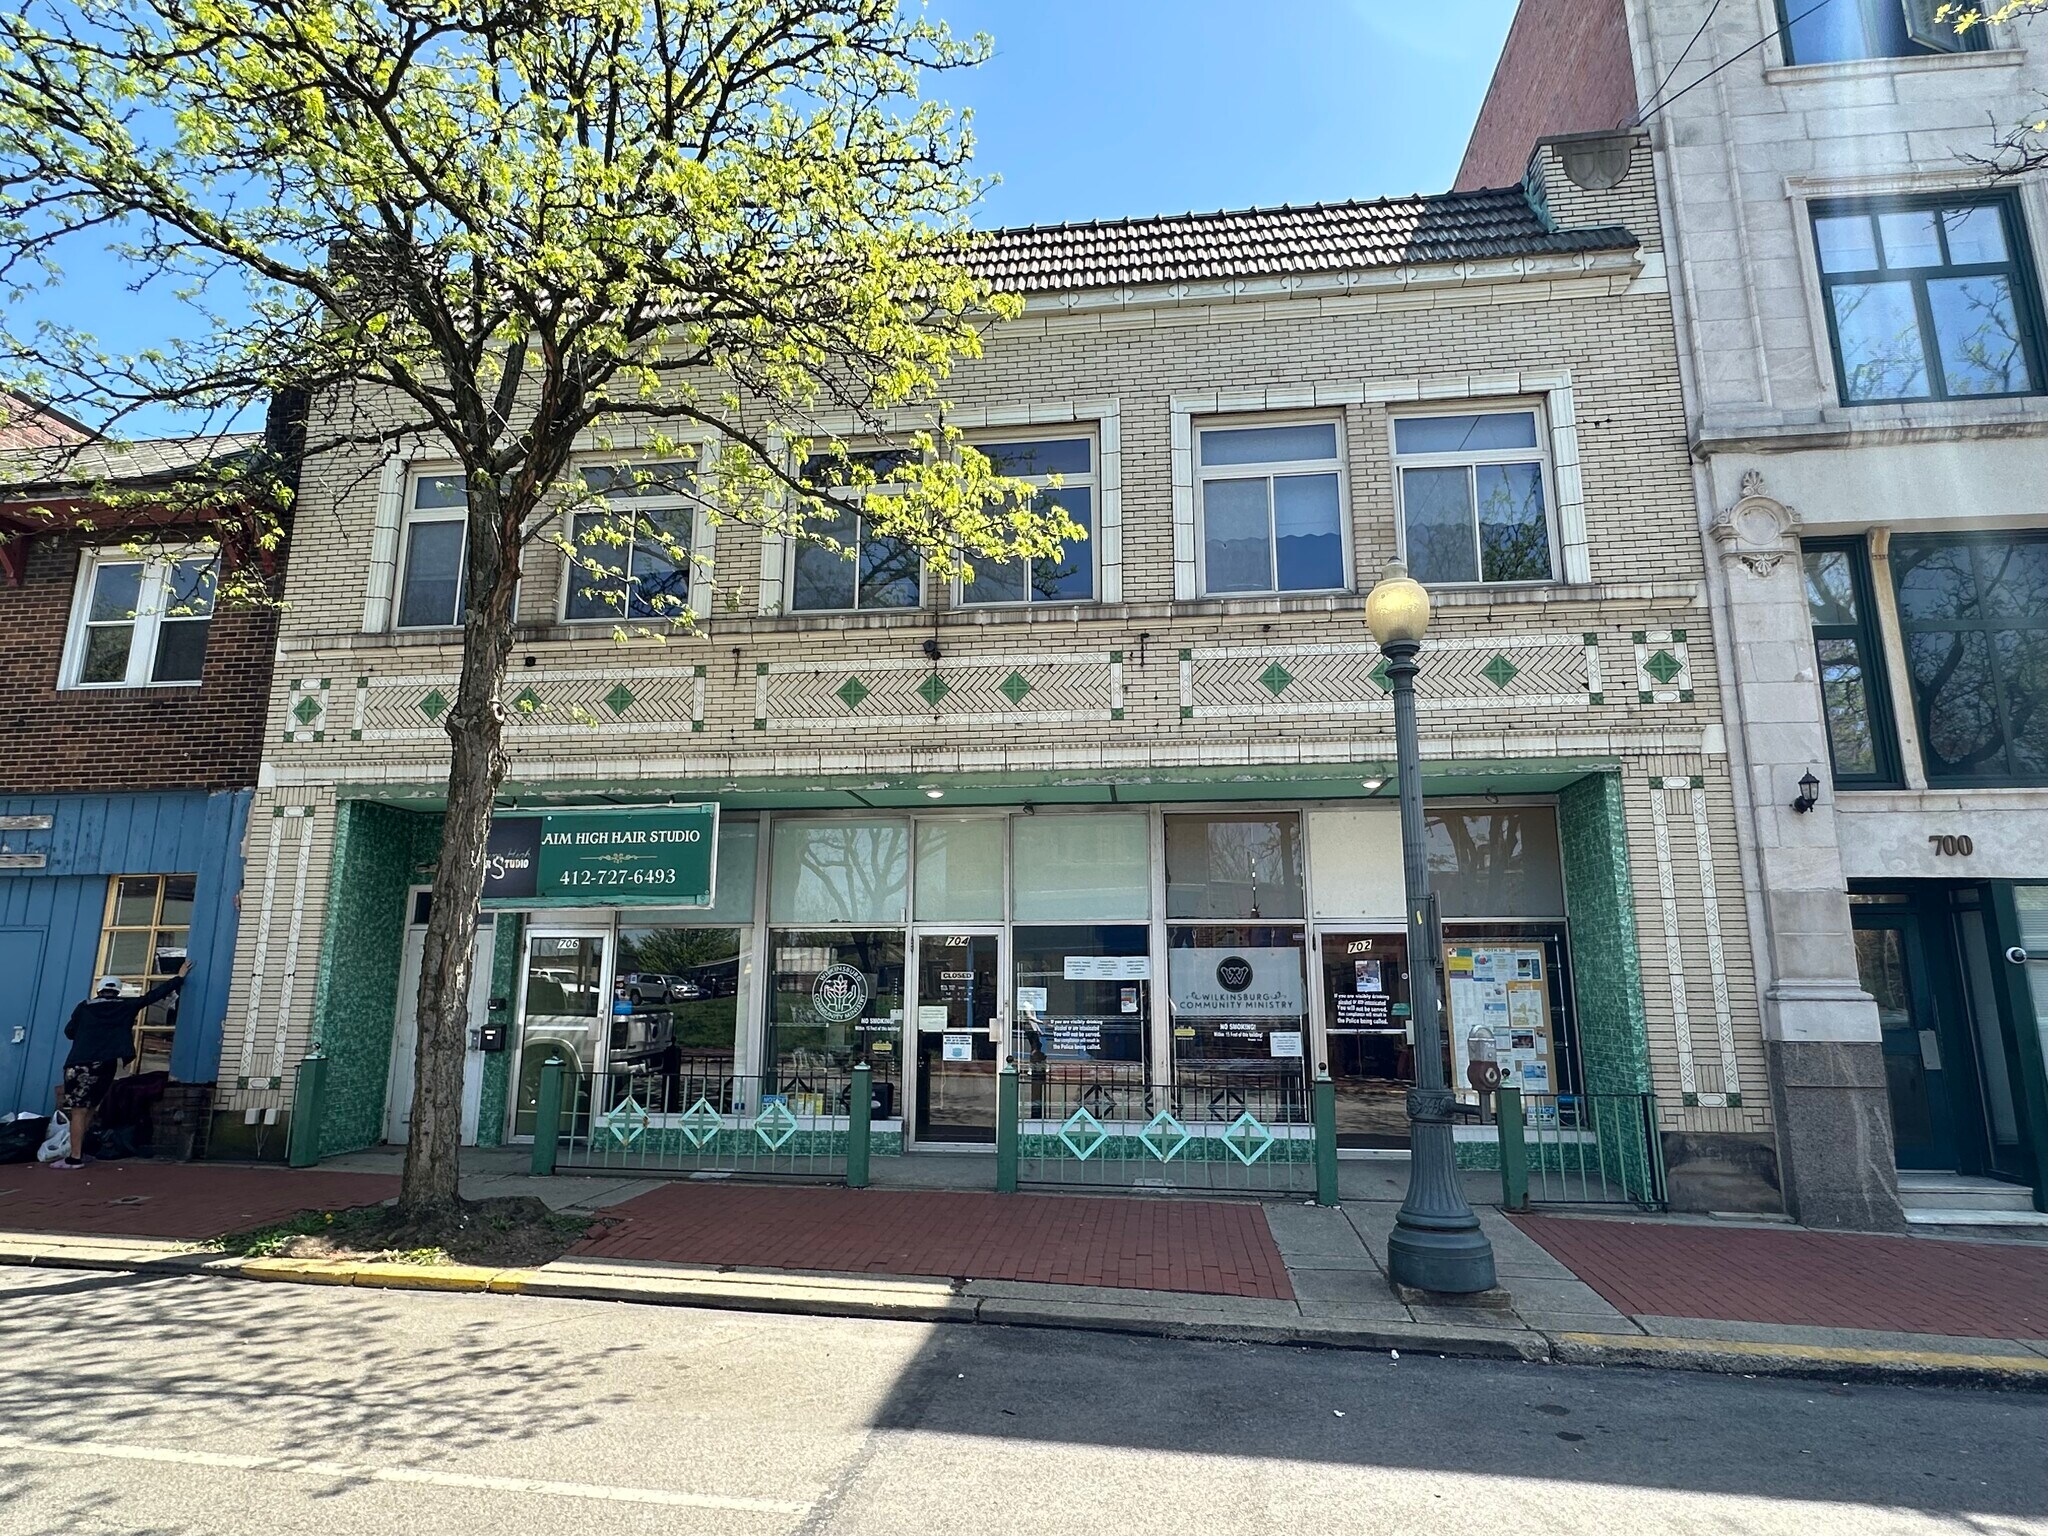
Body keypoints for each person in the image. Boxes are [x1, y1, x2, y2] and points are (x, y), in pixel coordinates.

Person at [49, 960, 189, 1171]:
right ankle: (81, 1151)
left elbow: (69, 1032)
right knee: (91, 1108)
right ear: (118, 991)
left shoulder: (84, 1007)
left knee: (78, 1110)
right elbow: (152, 996)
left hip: (79, 1063)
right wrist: (179, 978)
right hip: (106, 1064)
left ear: (99, 990)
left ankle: (74, 1158)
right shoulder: (125, 1006)